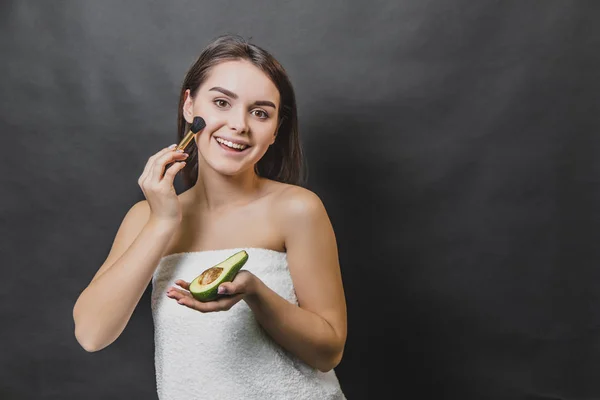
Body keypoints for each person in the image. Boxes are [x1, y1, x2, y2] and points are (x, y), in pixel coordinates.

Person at [72, 34, 347, 399]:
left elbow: (328, 352)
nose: (239, 125)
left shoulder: (297, 209)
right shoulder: (146, 218)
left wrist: (254, 292)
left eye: (260, 112)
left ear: (276, 129)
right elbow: (91, 335)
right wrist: (164, 222)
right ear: (189, 106)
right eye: (221, 102)